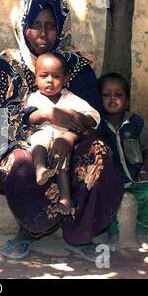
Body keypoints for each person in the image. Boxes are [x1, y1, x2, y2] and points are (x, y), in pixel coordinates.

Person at [0, 0, 124, 262]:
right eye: (35, 25)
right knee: (24, 164)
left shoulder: (76, 66)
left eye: (50, 26)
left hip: (70, 142)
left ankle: (80, 233)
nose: (43, 34)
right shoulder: (2, 67)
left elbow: (94, 115)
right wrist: (45, 117)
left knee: (99, 153)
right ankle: (28, 229)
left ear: (61, 28)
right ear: (23, 27)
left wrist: (68, 136)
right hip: (15, 145)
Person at [27, 52, 100, 216]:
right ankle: (40, 169)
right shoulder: (33, 98)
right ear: (35, 78)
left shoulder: (71, 99)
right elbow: (28, 116)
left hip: (62, 138)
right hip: (43, 132)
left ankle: (65, 198)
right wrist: (43, 115)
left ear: (66, 79)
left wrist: (78, 116)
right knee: (39, 140)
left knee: (62, 159)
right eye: (44, 76)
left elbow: (94, 117)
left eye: (56, 76)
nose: (49, 81)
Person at [98, 73, 148, 252]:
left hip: (135, 177)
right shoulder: (97, 125)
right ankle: (112, 234)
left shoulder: (135, 122)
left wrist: (145, 169)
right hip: (110, 179)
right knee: (103, 196)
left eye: (118, 95)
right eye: (106, 95)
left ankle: (142, 232)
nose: (112, 99)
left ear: (126, 101)